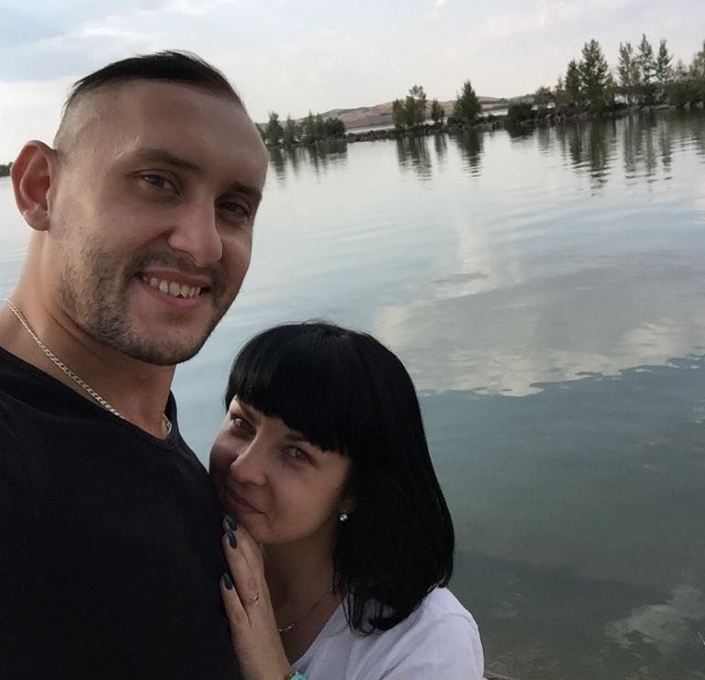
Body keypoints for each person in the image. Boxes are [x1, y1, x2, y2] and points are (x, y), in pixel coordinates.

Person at [0, 51, 268, 679]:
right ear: (40, 188)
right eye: (157, 182)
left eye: (233, 206)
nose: (203, 244)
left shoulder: (132, 408)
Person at [210, 322, 484, 680]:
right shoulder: (185, 558)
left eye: (296, 453)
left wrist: (272, 671)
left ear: (355, 490)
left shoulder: (424, 641)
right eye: (242, 424)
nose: (243, 468)